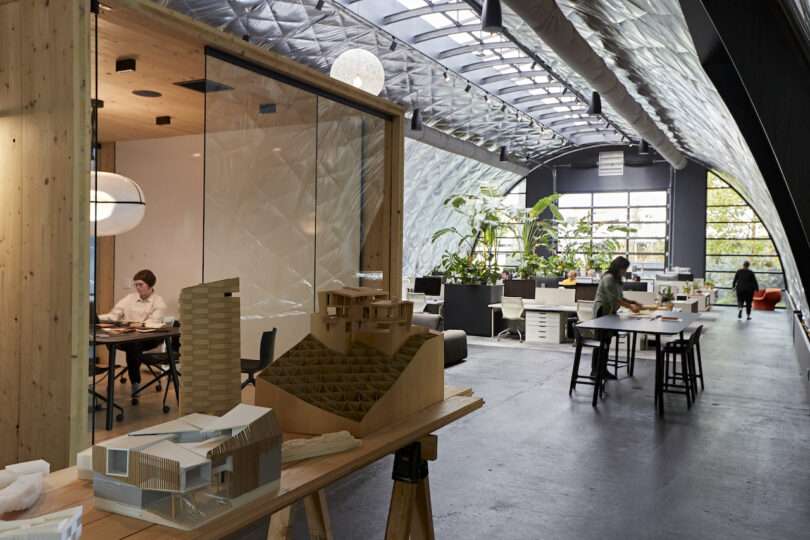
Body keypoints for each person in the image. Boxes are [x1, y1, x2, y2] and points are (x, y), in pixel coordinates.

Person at [99, 269, 167, 396]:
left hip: (150, 338)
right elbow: (114, 315)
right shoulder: (129, 298)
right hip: (128, 336)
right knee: (112, 340)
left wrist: (133, 325)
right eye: (136, 284)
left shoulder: (158, 301)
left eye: (141, 284)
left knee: (133, 345)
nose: (137, 288)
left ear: (150, 285)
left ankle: (136, 383)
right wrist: (98, 317)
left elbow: (152, 323)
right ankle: (116, 380)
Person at [590, 256, 642, 378]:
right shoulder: (609, 278)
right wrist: (630, 307)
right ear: (618, 267)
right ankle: (596, 371)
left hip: (609, 312)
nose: (625, 271)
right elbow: (615, 299)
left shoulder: (616, 280)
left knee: (606, 342)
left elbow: (621, 297)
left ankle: (602, 369)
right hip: (602, 312)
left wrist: (633, 302)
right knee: (601, 342)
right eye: (624, 269)